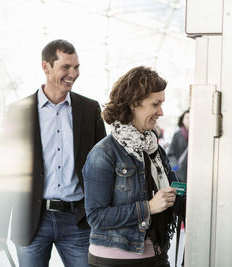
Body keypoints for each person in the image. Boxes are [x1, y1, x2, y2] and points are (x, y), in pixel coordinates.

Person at [0, 39, 106, 267]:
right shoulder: (17, 111)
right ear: (46, 67)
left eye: (77, 67)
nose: (73, 73)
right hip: (32, 220)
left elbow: (101, 168)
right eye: (66, 67)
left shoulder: (90, 109)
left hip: (77, 221)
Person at [83, 66, 183, 267]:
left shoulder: (154, 147)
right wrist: (149, 207)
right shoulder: (104, 153)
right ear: (134, 104)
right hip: (115, 260)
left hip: (156, 254)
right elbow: (96, 217)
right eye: (155, 104)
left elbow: (175, 189)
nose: (161, 112)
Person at [167, 110, 189, 183]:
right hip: (180, 171)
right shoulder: (177, 135)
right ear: (182, 120)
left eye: (191, 117)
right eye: (187, 117)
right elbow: (171, 154)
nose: (189, 120)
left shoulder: (199, 135)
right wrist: (176, 168)